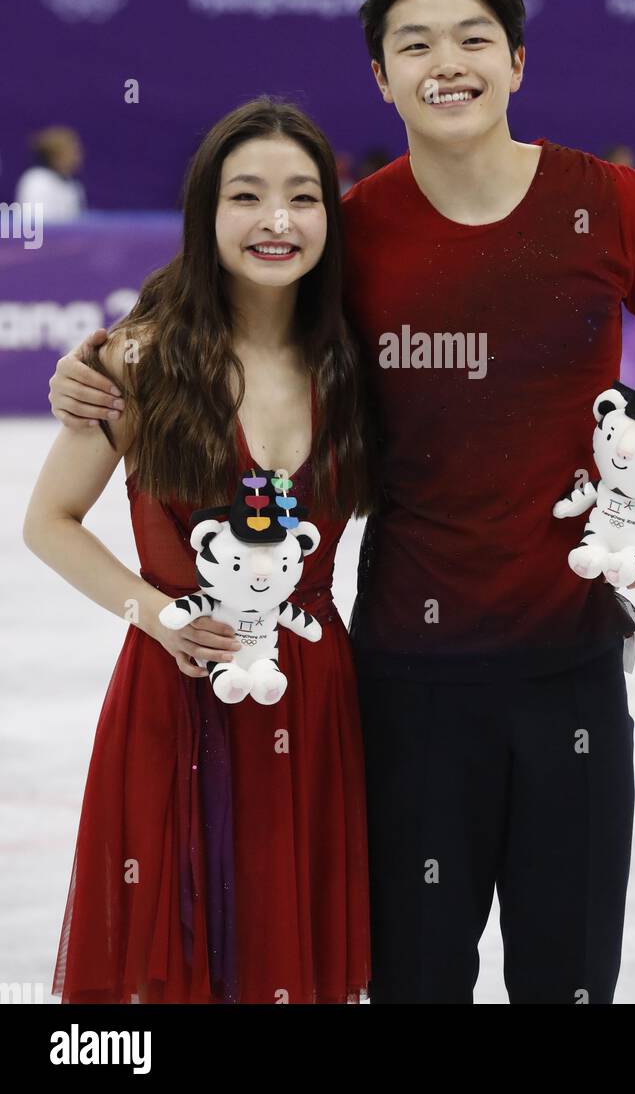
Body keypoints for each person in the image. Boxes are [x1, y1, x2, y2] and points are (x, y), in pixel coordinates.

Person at [48, 0, 635, 1004]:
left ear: (516, 59)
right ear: (380, 78)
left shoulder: (609, 205)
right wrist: (104, 355)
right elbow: (232, 303)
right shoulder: (354, 231)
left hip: (570, 661)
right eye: (412, 43)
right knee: (414, 982)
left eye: (472, 38)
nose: (446, 62)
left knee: (567, 982)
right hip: (402, 680)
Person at [27, 98, 375, 1004]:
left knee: (287, 961)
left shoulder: (352, 362)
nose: (276, 220)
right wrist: (160, 615)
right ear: (204, 213)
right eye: (246, 196)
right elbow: (49, 520)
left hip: (313, 689)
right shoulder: (139, 360)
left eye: (303, 198)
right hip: (173, 695)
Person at [14, 126, 86, 223]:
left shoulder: (74, 187)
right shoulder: (36, 181)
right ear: (56, 155)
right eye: (71, 151)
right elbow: (33, 224)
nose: (76, 157)